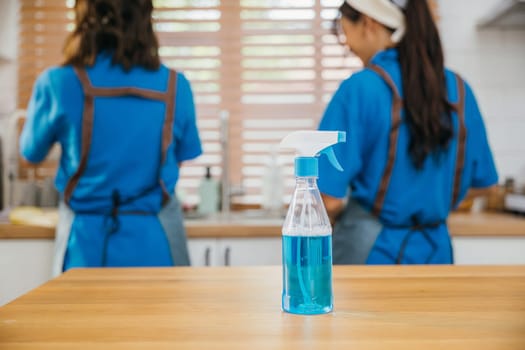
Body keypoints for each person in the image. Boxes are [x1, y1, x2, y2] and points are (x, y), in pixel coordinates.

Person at [19, 0, 202, 275]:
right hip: (155, 247)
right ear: (145, 18)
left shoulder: (57, 83)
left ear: (84, 20)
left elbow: (30, 153)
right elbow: (178, 161)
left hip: (85, 249)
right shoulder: (176, 86)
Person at [318, 0, 498, 264]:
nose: (350, 47)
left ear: (369, 23)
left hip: (370, 255)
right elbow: (485, 185)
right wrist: (428, 198)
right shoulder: (459, 90)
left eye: (346, 35)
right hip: (436, 254)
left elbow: (327, 199)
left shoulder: (359, 89)